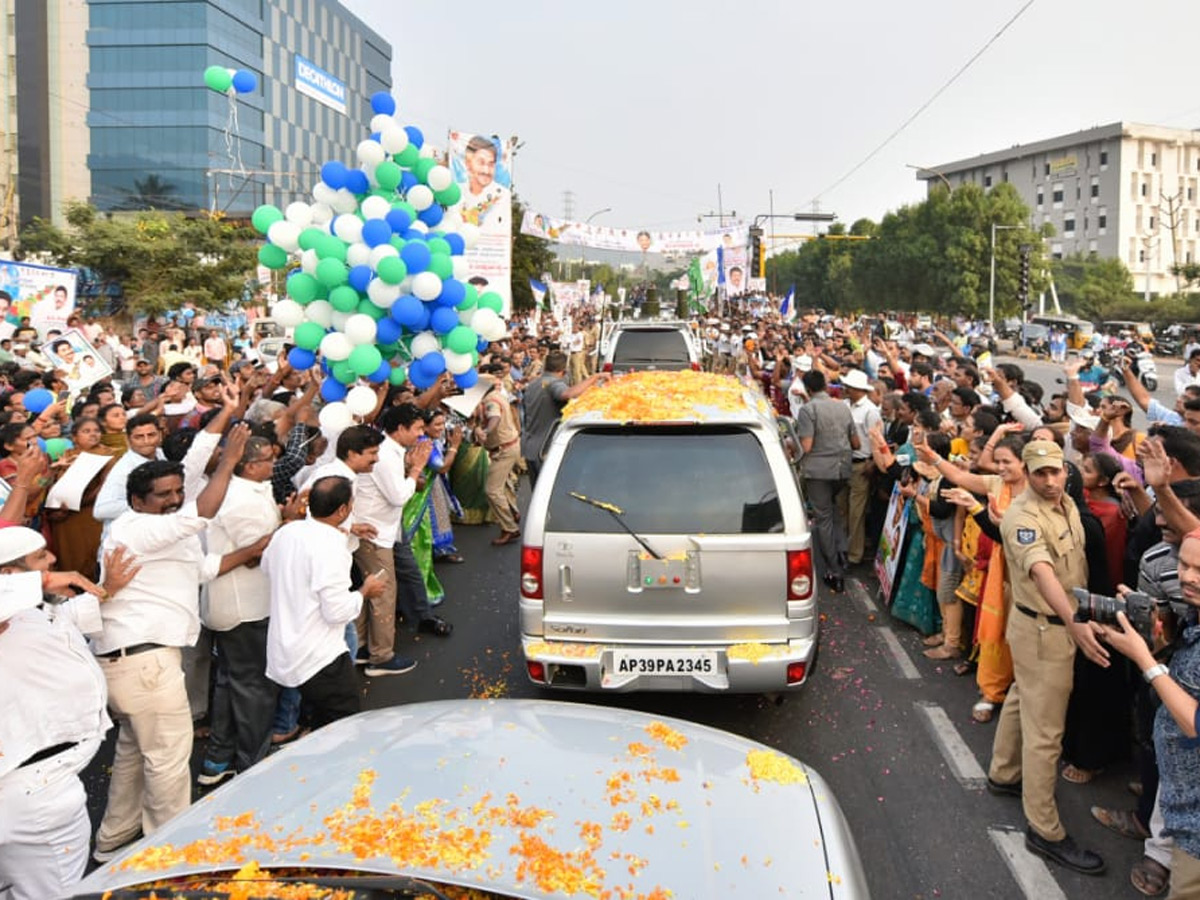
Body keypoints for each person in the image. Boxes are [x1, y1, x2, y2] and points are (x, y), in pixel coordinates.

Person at [90, 426, 247, 861]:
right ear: (138, 501)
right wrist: (229, 461)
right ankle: (169, 855)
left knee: (134, 753)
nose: (175, 498)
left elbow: (205, 568)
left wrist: (261, 544)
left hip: (137, 663)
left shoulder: (160, 531)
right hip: (144, 663)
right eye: (164, 494)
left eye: (178, 491)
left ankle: (114, 838)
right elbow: (199, 515)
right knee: (168, 761)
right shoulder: (137, 526)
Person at [985, 439, 1107, 876]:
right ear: (1028, 473)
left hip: (1051, 626)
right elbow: (1041, 570)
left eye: (1056, 472)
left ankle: (1002, 773)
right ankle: (1044, 830)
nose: (1051, 481)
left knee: (1024, 695)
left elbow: (1075, 569)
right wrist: (1076, 621)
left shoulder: (1067, 503)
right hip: (1045, 630)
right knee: (1046, 735)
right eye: (1041, 474)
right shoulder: (1023, 516)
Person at [0, 533, 138, 900]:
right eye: (40, 557)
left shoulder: (30, 610)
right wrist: (40, 581)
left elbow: (66, 617)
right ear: (10, 574)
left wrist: (107, 588)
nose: (52, 559)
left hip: (38, 784)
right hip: (35, 794)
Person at [1099, 528, 1200, 898]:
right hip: (1181, 791)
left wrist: (1143, 658)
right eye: (1184, 565)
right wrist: (1151, 636)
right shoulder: (1193, 617)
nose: (1188, 577)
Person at [195, 437, 287, 787]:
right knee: (254, 689)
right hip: (244, 607)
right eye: (267, 460)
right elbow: (257, 555)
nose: (272, 465)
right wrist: (288, 523)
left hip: (239, 604)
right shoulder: (238, 502)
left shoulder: (246, 490)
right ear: (248, 466)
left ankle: (218, 760)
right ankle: (254, 766)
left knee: (231, 685)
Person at [263, 475, 387, 727]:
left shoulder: (287, 532)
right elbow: (337, 611)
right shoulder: (331, 547)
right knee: (342, 728)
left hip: (286, 651)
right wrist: (365, 591)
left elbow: (267, 567)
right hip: (320, 659)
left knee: (317, 726)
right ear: (343, 509)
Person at [794, 369, 856, 593]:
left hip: (818, 471)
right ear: (826, 386)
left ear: (808, 389)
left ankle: (833, 569)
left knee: (824, 519)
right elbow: (856, 442)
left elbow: (807, 446)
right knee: (834, 512)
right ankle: (842, 552)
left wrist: (791, 445)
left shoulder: (808, 410)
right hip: (842, 468)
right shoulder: (842, 406)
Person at [520, 349, 607, 485]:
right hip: (546, 449)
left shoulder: (533, 384)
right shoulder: (553, 383)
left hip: (530, 447)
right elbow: (567, 394)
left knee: (537, 493)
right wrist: (595, 377)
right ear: (564, 371)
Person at [475, 373, 522, 545]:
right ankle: (513, 511)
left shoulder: (490, 401)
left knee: (492, 490)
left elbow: (494, 417)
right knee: (503, 483)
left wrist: (485, 431)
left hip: (504, 449)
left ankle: (510, 528)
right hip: (510, 444)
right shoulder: (497, 396)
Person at [843, 368, 882, 565]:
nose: (845, 389)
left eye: (848, 387)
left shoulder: (870, 411)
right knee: (843, 509)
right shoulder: (845, 405)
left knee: (856, 513)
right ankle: (844, 548)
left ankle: (854, 555)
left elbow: (876, 439)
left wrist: (873, 462)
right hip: (844, 462)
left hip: (862, 464)